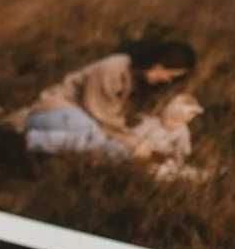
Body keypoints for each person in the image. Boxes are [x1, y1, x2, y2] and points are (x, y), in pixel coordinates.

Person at [10, 37, 197, 161]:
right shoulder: (114, 69)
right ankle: (30, 140)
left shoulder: (139, 84)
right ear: (158, 63)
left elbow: (118, 120)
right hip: (57, 111)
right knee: (106, 144)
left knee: (112, 149)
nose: (167, 80)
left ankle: (39, 142)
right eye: (169, 74)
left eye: (172, 78)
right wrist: (135, 144)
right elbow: (101, 116)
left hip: (82, 122)